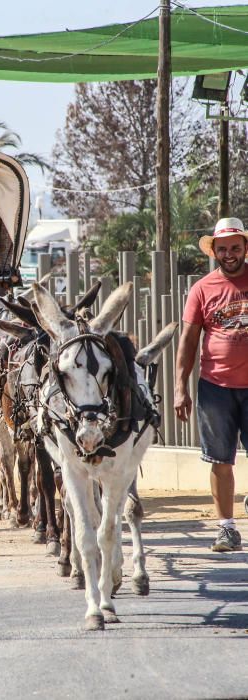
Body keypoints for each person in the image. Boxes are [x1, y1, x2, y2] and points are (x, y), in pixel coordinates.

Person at [174, 216, 248, 552]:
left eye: (235, 247)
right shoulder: (202, 289)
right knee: (221, 459)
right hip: (215, 386)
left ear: (245, 248)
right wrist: (180, 388)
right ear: (214, 252)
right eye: (223, 249)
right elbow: (188, 341)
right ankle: (226, 529)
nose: (230, 253)